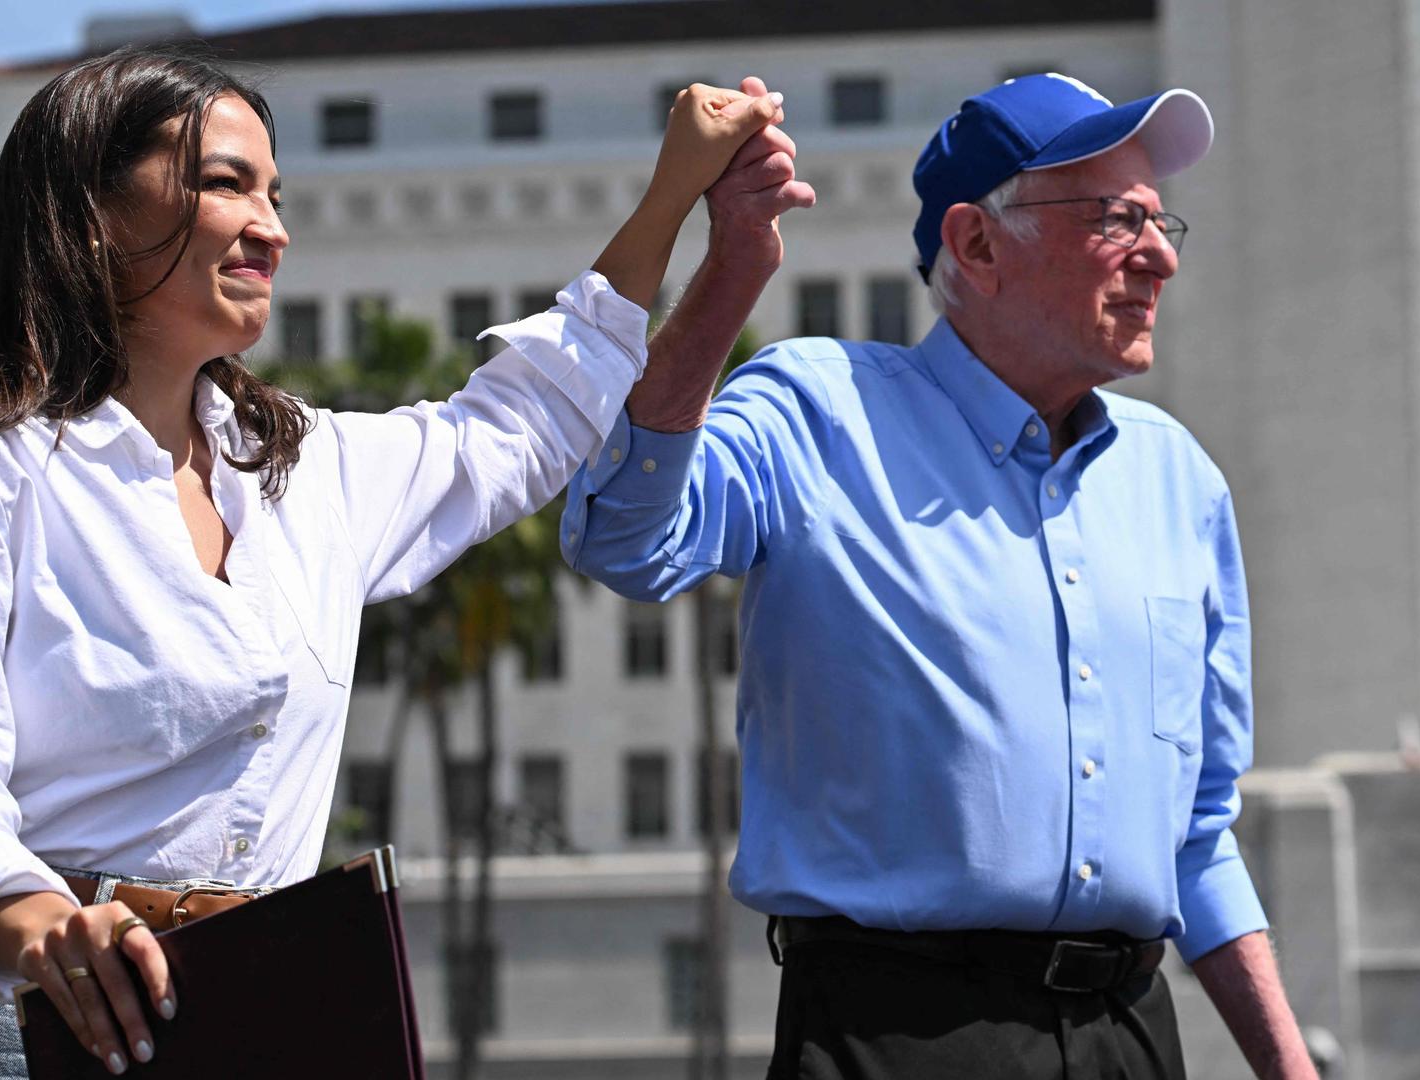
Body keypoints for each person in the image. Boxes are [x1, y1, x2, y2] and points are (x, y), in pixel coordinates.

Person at [0, 44, 807, 1077]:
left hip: (255, 1006)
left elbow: (516, 427)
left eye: (274, 192)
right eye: (224, 184)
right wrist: (33, 919)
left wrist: (675, 200)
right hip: (30, 1018)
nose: (271, 226)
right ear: (92, 215)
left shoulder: (299, 468)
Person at [561, 73, 1319, 1079]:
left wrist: (1292, 1070)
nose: (1162, 255)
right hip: (895, 1036)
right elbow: (622, 535)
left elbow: (1200, 836)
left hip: (1133, 1038)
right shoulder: (818, 412)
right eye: (1116, 218)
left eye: (1161, 219)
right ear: (976, 244)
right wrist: (733, 270)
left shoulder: (1179, 479)